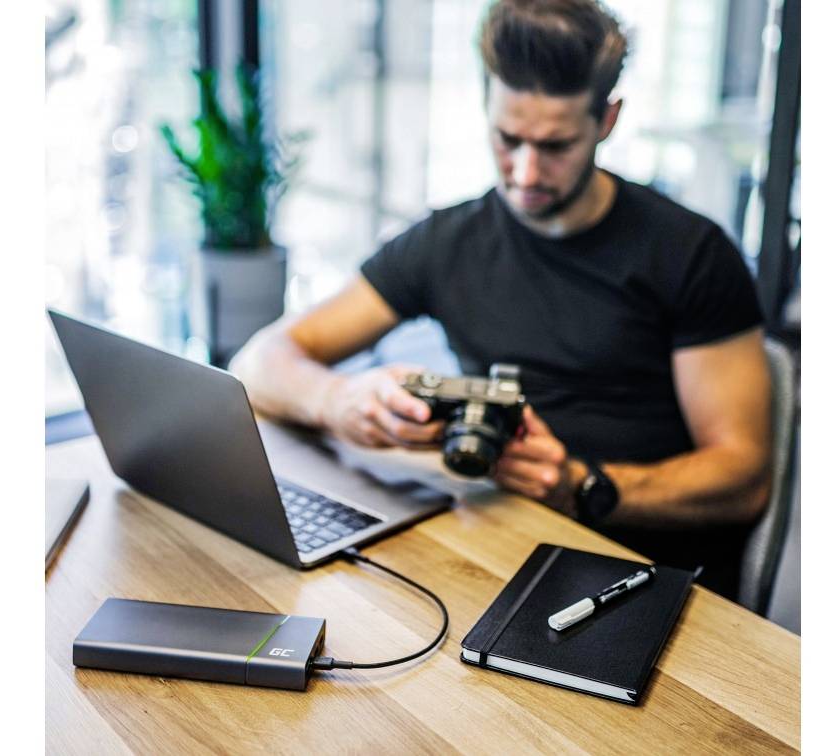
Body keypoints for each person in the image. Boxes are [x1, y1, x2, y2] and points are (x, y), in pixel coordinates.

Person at [230, 0, 771, 601]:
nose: (525, 173)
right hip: (496, 543)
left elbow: (743, 477)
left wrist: (583, 485)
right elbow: (259, 363)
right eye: (507, 139)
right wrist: (338, 399)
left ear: (607, 120)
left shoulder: (690, 252)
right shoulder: (448, 241)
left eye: (556, 145)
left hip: (642, 574)